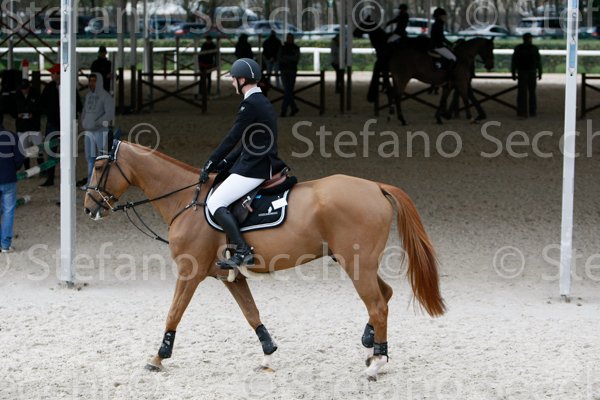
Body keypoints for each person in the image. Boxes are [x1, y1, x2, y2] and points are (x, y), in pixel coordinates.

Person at [199, 58, 287, 269]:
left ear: (242, 80)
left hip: (255, 167)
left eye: (233, 79)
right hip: (259, 161)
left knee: (215, 202)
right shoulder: (262, 101)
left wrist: (210, 163)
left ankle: (242, 250)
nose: (232, 83)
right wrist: (225, 163)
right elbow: (248, 142)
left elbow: (232, 138)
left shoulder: (250, 104)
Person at [38, 63, 82, 187]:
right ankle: (50, 177)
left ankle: (68, 178)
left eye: (53, 73)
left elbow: (78, 105)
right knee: (50, 151)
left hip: (65, 124)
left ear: (59, 74)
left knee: (68, 152)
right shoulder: (49, 87)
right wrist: (50, 113)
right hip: (53, 123)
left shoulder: (69, 87)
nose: (51, 75)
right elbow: (41, 104)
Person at [81, 73, 115, 187]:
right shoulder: (88, 96)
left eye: (94, 81)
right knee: (90, 158)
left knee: (102, 157)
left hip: (100, 131)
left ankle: (102, 182)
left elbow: (109, 113)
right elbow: (84, 110)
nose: (91, 83)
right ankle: (91, 183)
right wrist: (84, 121)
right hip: (89, 131)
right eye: (90, 80)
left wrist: (97, 122)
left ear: (99, 81)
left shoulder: (106, 96)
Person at [0, 118, 25, 253]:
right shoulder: (12, 136)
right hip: (8, 178)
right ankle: (5, 244)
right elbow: (20, 157)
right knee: (8, 211)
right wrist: (13, 168)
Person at [10, 79, 43, 171]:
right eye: (22, 89)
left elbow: (41, 108)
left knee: (39, 148)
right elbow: (11, 108)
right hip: (21, 126)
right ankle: (27, 169)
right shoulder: (16, 95)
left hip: (34, 126)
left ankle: (43, 168)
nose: (24, 90)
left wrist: (34, 114)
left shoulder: (36, 94)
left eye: (25, 88)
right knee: (24, 149)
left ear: (29, 87)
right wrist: (16, 115)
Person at [511, 33, 542, 118]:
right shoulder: (534, 48)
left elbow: (514, 61)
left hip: (522, 72)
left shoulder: (518, 48)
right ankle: (532, 111)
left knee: (521, 93)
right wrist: (540, 72)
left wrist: (513, 72)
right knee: (532, 93)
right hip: (532, 72)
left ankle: (521, 111)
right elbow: (538, 61)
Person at [278, 33, 300, 117]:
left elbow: (295, 58)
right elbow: (280, 58)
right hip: (288, 69)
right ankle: (293, 107)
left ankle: (285, 110)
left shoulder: (285, 48)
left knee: (287, 90)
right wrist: (290, 59)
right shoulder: (293, 48)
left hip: (288, 70)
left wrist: (285, 58)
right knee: (288, 90)